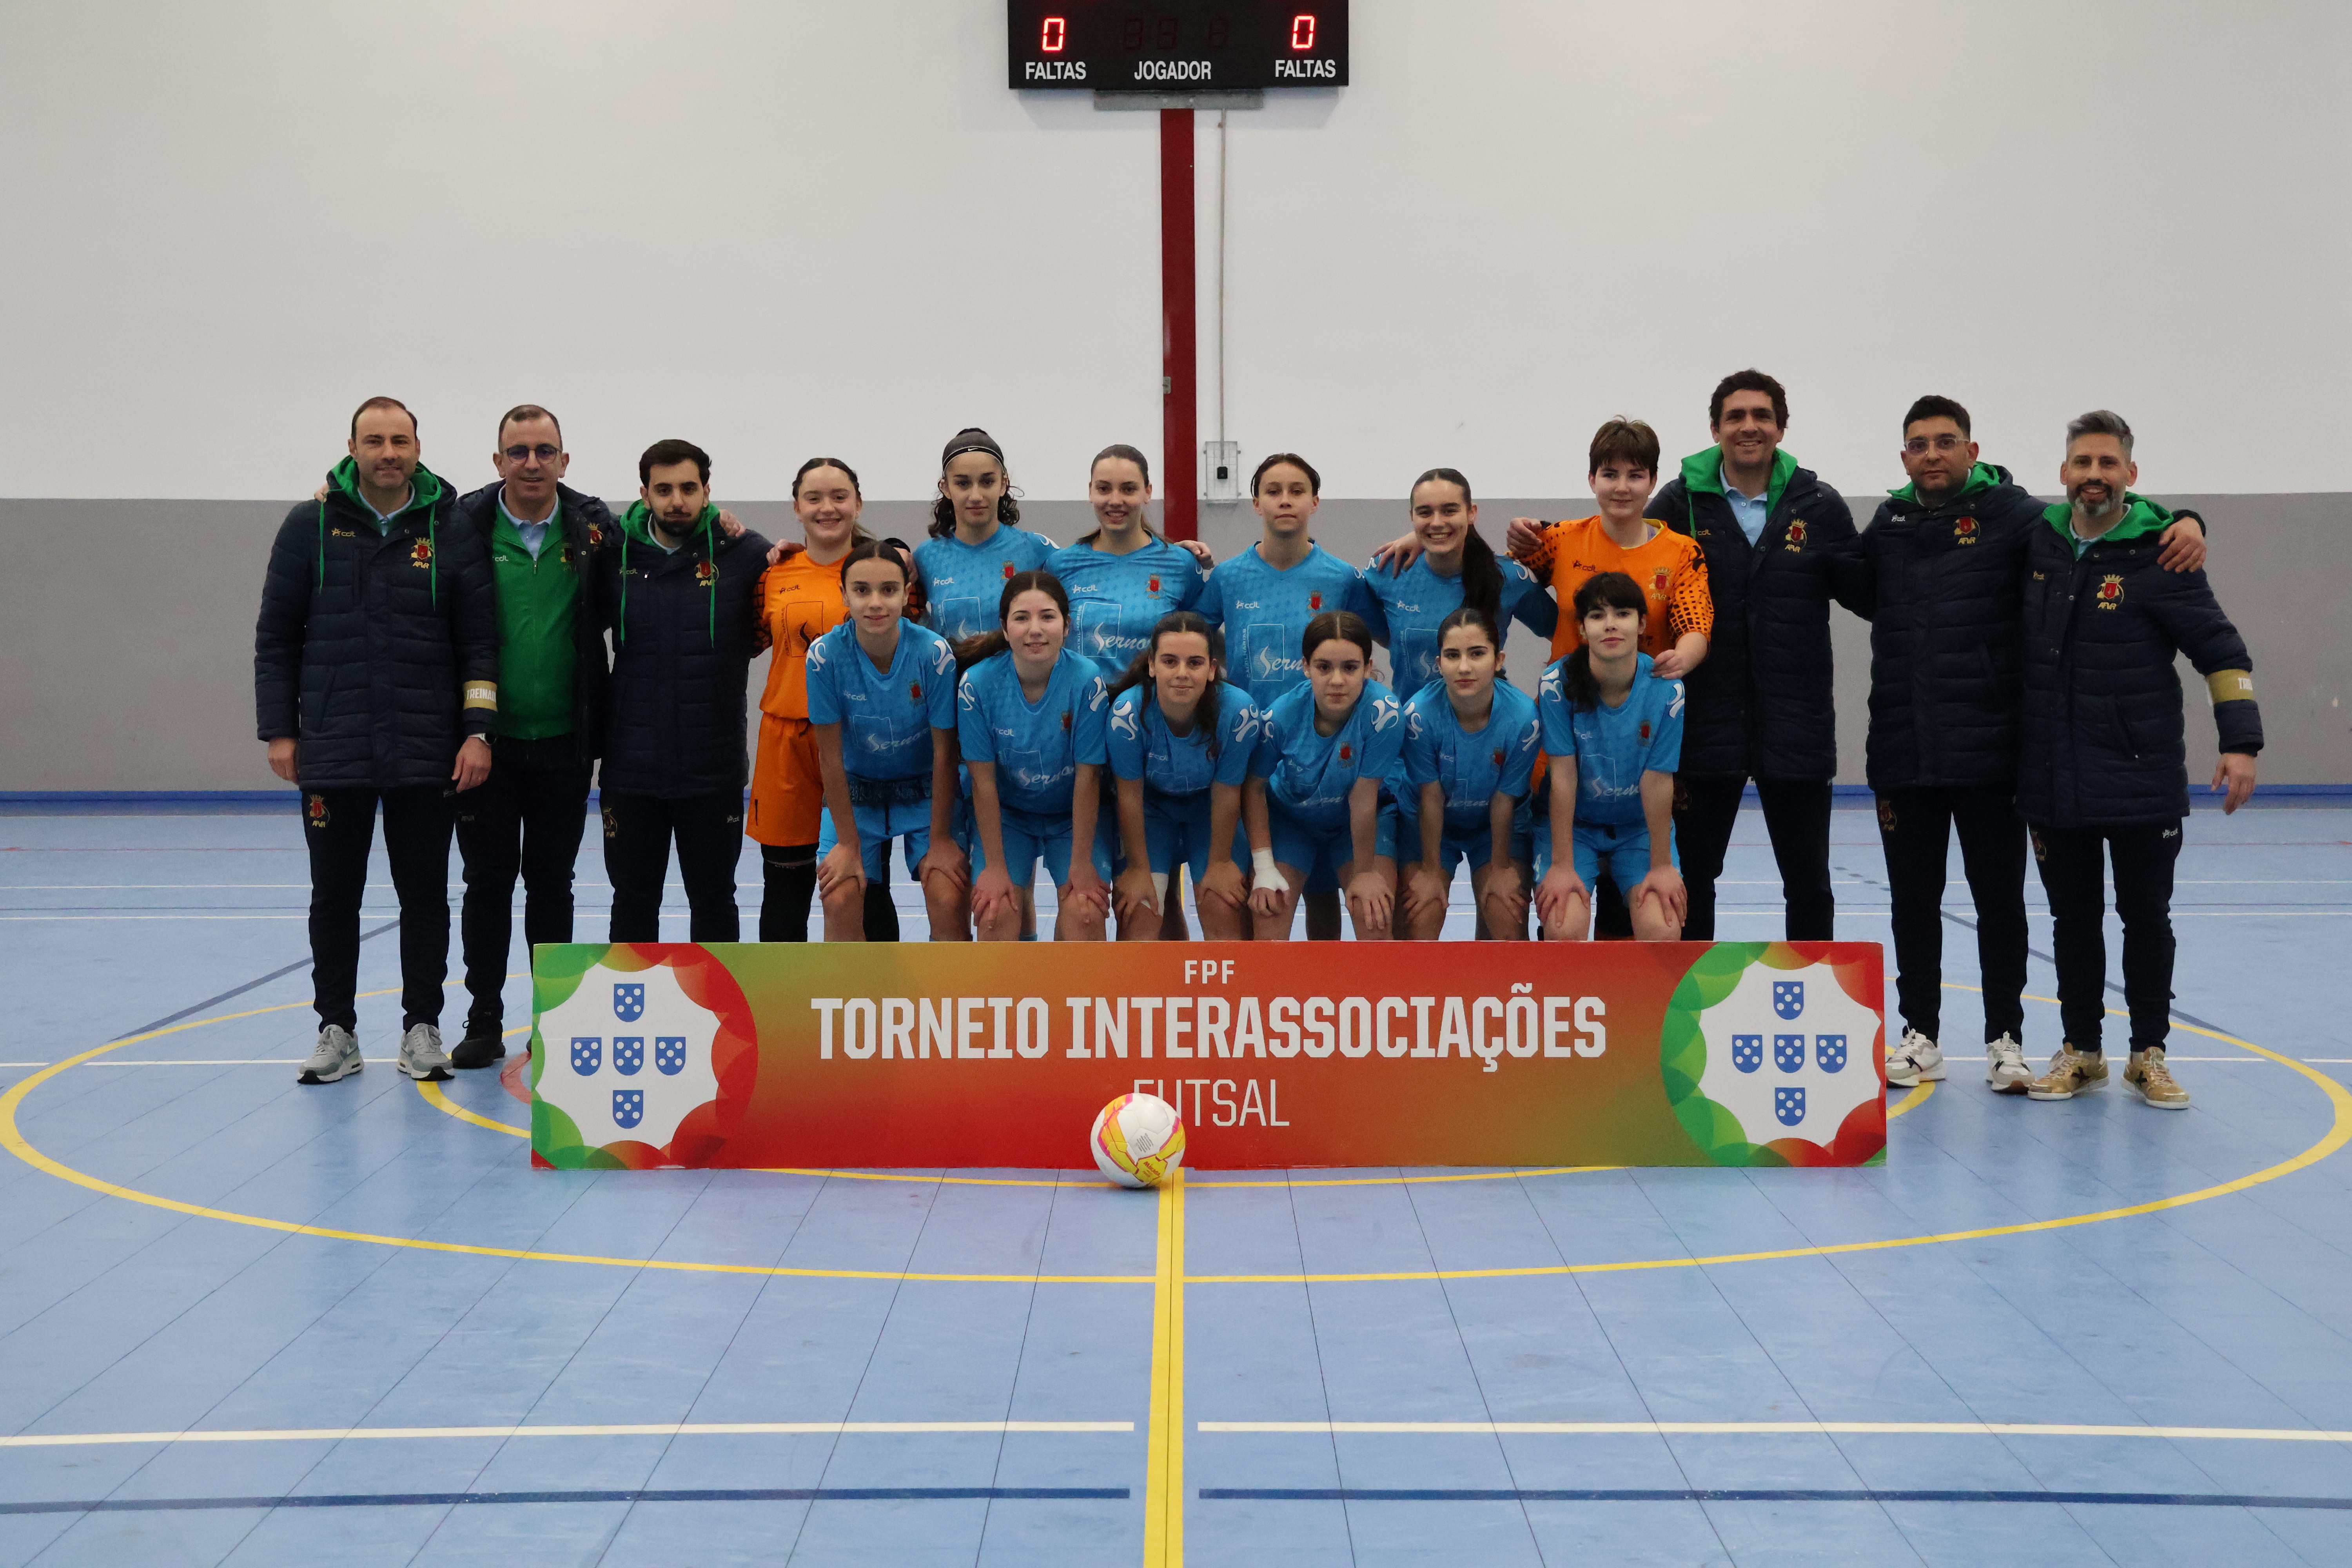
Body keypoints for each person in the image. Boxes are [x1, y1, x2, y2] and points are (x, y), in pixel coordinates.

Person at [1857, 397, 2206, 1091]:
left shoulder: (2017, 518)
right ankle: (1920, 1035)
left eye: (1946, 442)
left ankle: (2004, 1040)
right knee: (1912, 903)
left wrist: (2189, 519)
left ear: (1972, 451)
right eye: (1919, 444)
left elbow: (2100, 510)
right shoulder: (1887, 525)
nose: (1932, 454)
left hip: (1992, 751)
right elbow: (1845, 583)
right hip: (1903, 749)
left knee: (2001, 905)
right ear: (1904, 458)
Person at [2019, 411, 2258, 1111]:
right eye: (2082, 463)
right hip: (2053, 774)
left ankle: (2148, 1053)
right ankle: (2082, 1051)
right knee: (2072, 921)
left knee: (2146, 919)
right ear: (2064, 474)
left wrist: (2241, 744)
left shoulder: (2163, 555)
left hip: (2140, 775)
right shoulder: (2036, 541)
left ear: (2131, 475)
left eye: (2108, 464)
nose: (2095, 475)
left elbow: (2223, 654)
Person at [254, 396, 496, 1085]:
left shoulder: (451, 528)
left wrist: (478, 731)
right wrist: (280, 730)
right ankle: (337, 1030)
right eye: (375, 440)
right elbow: (276, 638)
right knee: (335, 895)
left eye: (401, 440)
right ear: (352, 448)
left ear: (418, 448)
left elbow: (479, 643)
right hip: (334, 747)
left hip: (427, 749)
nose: (389, 452)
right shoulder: (311, 526)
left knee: (425, 895)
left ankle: (422, 1028)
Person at [1643, 370, 1865, 941]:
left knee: (1809, 882)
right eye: (1736, 417)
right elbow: (1619, 555)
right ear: (1716, 428)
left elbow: (1873, 591)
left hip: (1796, 724)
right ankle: (1686, 1012)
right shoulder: (1677, 503)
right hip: (1701, 726)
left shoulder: (1818, 506)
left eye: (1761, 416)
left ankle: (1815, 1007)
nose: (1749, 427)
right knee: (1693, 878)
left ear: (1781, 428)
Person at [441, 405, 613, 1068]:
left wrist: (734, 527)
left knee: (553, 883)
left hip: (566, 741)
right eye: (519, 452)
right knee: (487, 882)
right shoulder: (466, 527)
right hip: (486, 744)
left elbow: (670, 536)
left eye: (545, 451)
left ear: (565, 461)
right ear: (498, 462)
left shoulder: (594, 528)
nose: (532, 463)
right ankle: (484, 1016)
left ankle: (553, 1018)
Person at [592, 439, 771, 942]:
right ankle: (632, 1021)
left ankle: (721, 1021)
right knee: (631, 900)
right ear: (644, 494)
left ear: (707, 491)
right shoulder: (611, 555)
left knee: (715, 899)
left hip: (712, 767)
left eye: (689, 488)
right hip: (631, 768)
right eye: (664, 489)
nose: (677, 500)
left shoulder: (747, 553)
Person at [1193, 452, 1370, 940]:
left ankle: (1323, 998)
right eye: (1273, 491)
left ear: (1315, 501)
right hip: (1249, 756)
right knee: (1260, 887)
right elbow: (1189, 637)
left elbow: (1371, 640)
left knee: (1321, 893)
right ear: (1256, 503)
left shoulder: (1342, 578)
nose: (1285, 500)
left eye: (1296, 491)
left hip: (1323, 750)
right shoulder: (1229, 577)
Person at [806, 540, 969, 941]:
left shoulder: (933, 654)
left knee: (949, 897)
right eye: (862, 590)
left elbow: (946, 753)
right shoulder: (824, 656)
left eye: (889, 590)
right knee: (840, 899)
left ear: (906, 593)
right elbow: (828, 757)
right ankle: (853, 999)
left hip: (925, 791)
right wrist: (847, 843)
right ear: (844, 594)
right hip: (858, 792)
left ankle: (945, 998)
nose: (875, 603)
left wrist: (941, 838)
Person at [956, 572, 1112, 942]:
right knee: (995, 913)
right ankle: (1012, 999)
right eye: (1022, 618)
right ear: (1005, 627)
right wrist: (994, 867)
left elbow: (1089, 779)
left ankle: (1069, 998)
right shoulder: (977, 685)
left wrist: (1080, 864)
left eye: (1048, 616)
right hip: (1010, 817)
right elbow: (982, 782)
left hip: (1069, 817)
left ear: (1067, 625)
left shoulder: (1086, 680)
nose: (1035, 629)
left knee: (1085, 912)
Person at [748, 457, 866, 942]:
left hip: (861, 742)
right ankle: (783, 1014)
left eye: (839, 496)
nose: (828, 508)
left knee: (864, 884)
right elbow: (751, 640)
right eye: (814, 498)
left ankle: (872, 1004)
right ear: (796, 507)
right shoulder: (773, 575)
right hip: (786, 743)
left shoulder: (886, 568)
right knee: (786, 884)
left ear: (858, 503)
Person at [1534, 573, 1688, 941]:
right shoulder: (1556, 685)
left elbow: (1658, 780)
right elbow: (1564, 777)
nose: (1611, 625)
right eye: (1598, 616)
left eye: (1622, 613)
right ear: (1583, 630)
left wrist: (1662, 865)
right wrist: (1561, 864)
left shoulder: (1668, 688)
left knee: (1662, 930)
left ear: (1642, 624)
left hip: (1637, 830)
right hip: (1577, 828)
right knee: (1563, 928)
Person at [1507, 418, 1710, 676]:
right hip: (1565, 704)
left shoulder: (1683, 553)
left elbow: (1694, 625)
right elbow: (1501, 579)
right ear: (1592, 480)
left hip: (1642, 704)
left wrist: (1683, 658)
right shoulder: (1559, 539)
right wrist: (1522, 536)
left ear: (1653, 481)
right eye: (1610, 475)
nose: (1622, 487)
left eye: (1635, 476)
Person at [1246, 612, 1404, 941]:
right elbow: (1253, 787)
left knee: (1373, 913)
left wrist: (1364, 873)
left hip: (1356, 823)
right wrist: (1263, 867)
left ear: (1368, 668)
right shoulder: (1280, 717)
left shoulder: (1384, 714)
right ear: (1306, 667)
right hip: (1293, 822)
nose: (1336, 681)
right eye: (1323, 667)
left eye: (1350, 668)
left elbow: (1363, 797)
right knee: (1269, 919)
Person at [1105, 613, 1263, 941]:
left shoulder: (1239, 713)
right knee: (1141, 910)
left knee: (1223, 904)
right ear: (1152, 666)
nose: (1181, 674)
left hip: (1208, 811)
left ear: (1211, 669)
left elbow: (1227, 792)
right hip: (1150, 812)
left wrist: (1220, 862)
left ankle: (1230, 993)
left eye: (1194, 663)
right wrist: (1137, 869)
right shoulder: (1127, 715)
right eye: (1169, 661)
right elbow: (1129, 797)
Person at [1396, 608, 1539, 942]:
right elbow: (1430, 798)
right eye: (1452, 655)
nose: (1464, 667)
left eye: (1477, 654)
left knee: (1504, 910)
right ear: (1439, 662)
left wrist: (1501, 868)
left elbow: (1505, 800)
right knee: (1422, 913)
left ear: (1498, 659)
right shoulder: (1419, 716)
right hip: (1431, 824)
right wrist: (1431, 871)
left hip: (1493, 827)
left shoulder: (1523, 718)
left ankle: (1497, 990)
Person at [1361, 468, 1555, 700]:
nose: (1437, 522)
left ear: (1471, 513)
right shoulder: (1387, 570)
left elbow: (1566, 636)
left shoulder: (1510, 578)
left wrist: (1549, 703)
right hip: (1412, 732)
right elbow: (1382, 636)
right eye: (1425, 513)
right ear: (1412, 517)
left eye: (1449, 510)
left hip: (1487, 727)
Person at [914, 428, 1059, 646]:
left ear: (1003, 484)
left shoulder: (1037, 549)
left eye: (987, 482)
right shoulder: (925, 557)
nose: (976, 496)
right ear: (945, 488)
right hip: (949, 680)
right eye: (963, 484)